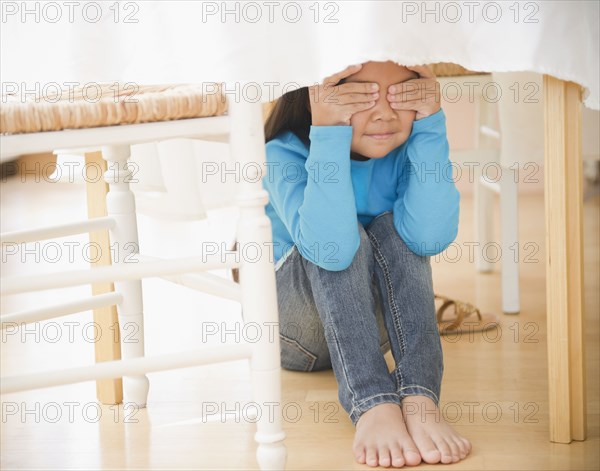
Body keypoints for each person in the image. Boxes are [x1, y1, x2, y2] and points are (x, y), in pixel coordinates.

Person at [261, 61, 471, 468]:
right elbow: (331, 249)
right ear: (316, 97)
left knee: (399, 228)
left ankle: (419, 395)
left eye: (402, 96)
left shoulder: (407, 148)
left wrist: (430, 125)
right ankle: (372, 402)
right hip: (294, 333)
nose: (384, 113)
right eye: (362, 96)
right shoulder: (283, 151)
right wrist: (328, 134)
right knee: (343, 236)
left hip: (368, 329)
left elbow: (429, 237)